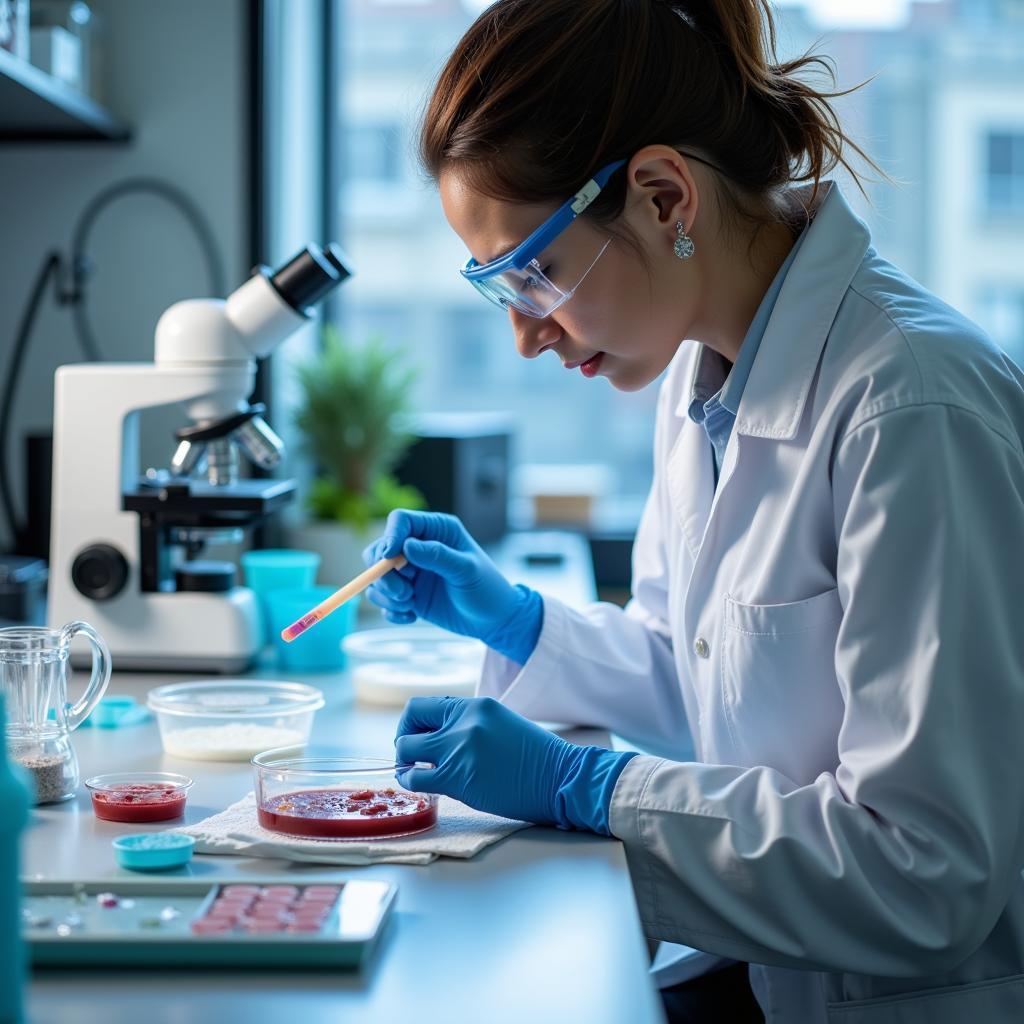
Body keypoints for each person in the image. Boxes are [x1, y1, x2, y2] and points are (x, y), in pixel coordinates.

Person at [361, 2, 1024, 1021]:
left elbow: (923, 871)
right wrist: (517, 621)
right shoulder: (700, 375)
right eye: (497, 287)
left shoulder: (910, 407)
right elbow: (711, 676)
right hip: (771, 975)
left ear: (664, 197)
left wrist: (589, 786)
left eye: (531, 271)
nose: (525, 337)